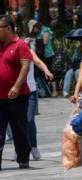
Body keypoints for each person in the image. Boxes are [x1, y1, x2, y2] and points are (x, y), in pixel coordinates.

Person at [0, 15, 32, 169]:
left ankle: (23, 158)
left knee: (19, 130)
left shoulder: (20, 45)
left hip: (18, 97)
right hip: (0, 97)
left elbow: (25, 67)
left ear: (8, 28)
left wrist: (17, 87)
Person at [29, 20, 57, 96]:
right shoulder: (38, 33)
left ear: (36, 26)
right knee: (42, 72)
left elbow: (45, 41)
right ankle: (47, 90)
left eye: (33, 29)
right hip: (41, 55)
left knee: (50, 70)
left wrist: (35, 40)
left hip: (48, 54)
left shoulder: (45, 29)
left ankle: (55, 90)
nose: (33, 31)